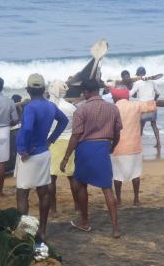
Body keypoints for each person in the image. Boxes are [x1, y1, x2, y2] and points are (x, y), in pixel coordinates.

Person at [60, 79, 122, 238]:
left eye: (83, 93)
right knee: (107, 188)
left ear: (87, 92)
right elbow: (117, 132)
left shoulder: (81, 110)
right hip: (102, 148)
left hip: (85, 148)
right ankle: (115, 228)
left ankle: (85, 221)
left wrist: (66, 157)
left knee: (81, 185)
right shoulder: (113, 108)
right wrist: (113, 146)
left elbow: (76, 135)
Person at [109, 88, 164, 205]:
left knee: (117, 175)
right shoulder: (136, 106)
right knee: (135, 173)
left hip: (117, 147)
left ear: (115, 98)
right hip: (134, 146)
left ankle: (119, 200)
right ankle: (136, 199)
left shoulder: (111, 108)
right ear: (127, 97)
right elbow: (157, 103)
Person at [16, 73, 68, 244]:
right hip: (43, 152)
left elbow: (28, 129)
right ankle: (43, 230)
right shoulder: (50, 106)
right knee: (43, 192)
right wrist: (51, 139)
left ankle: (24, 232)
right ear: (44, 89)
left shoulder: (30, 107)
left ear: (28, 89)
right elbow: (64, 121)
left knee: (23, 193)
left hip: (30, 155)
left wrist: (24, 149)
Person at [46, 80, 79, 217]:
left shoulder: (49, 106)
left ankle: (53, 210)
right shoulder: (71, 107)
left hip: (51, 142)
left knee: (51, 178)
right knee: (72, 177)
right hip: (69, 143)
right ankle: (77, 206)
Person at [130, 66, 161, 149]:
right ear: (144, 73)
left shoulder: (137, 83)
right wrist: (154, 99)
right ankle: (158, 143)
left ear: (138, 74)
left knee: (141, 126)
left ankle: (139, 144)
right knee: (154, 125)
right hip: (151, 105)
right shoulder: (152, 82)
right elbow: (158, 92)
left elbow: (131, 94)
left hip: (143, 106)